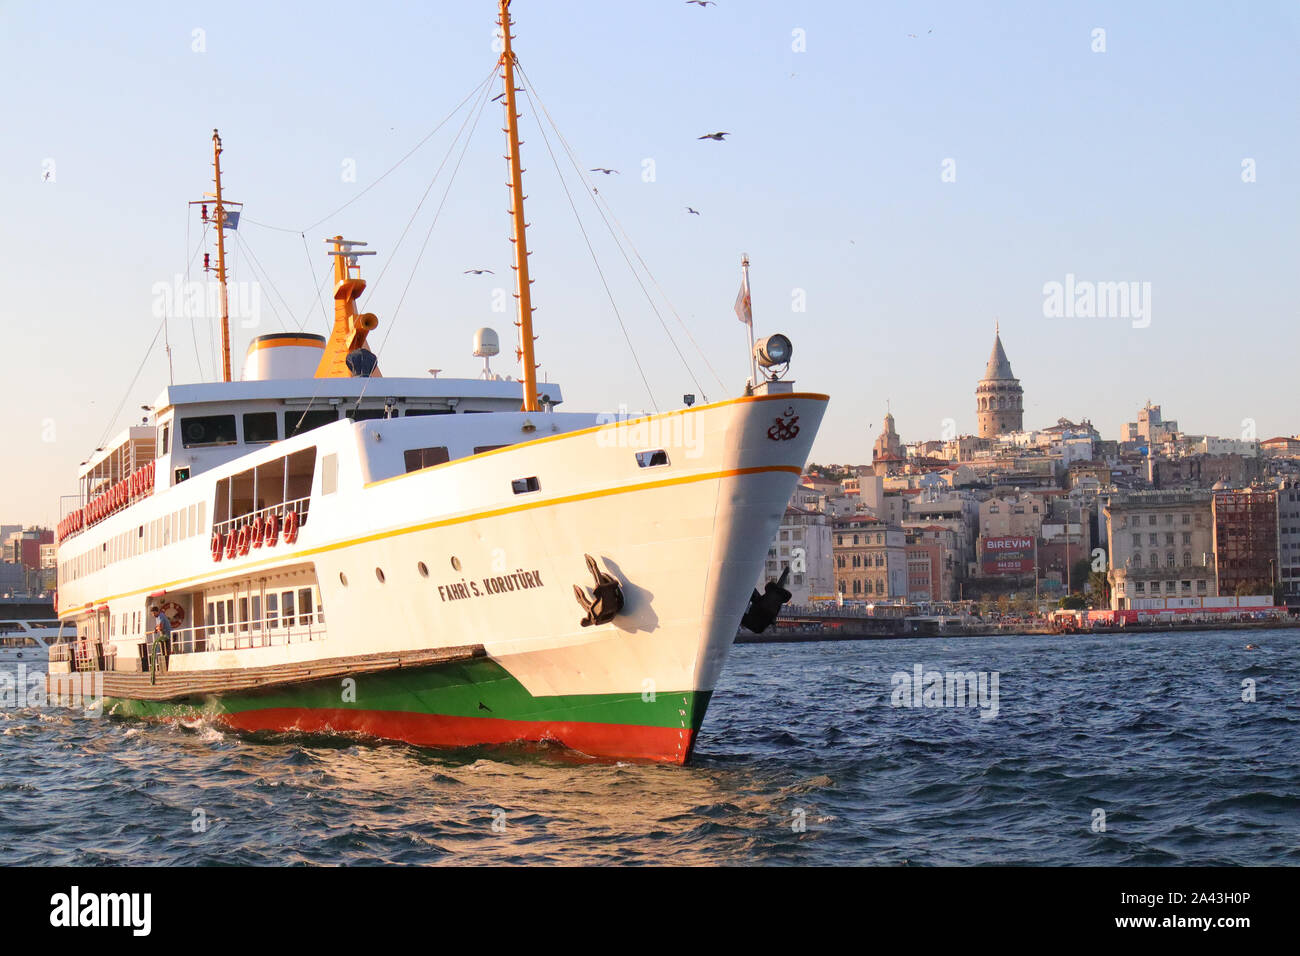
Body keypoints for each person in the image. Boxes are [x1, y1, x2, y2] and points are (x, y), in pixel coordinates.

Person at [150, 604, 172, 674]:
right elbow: (158, 626)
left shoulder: (161, 616)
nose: (153, 615)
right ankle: (160, 666)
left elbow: (161, 627)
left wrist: (157, 629)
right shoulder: (157, 617)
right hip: (164, 636)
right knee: (159, 649)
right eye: (152, 614)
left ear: (157, 612)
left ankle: (165, 666)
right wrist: (156, 628)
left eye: (153, 613)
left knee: (163, 649)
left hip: (167, 636)